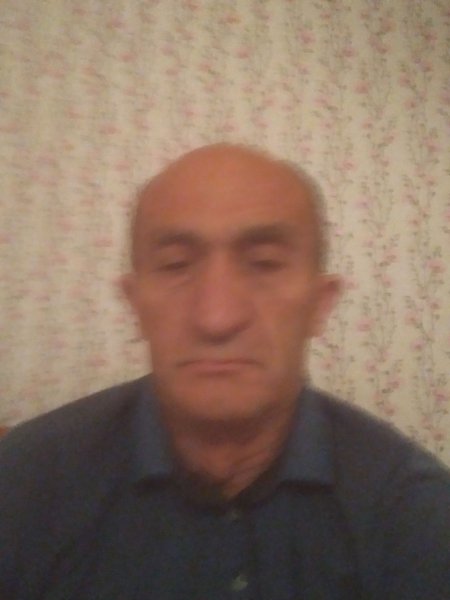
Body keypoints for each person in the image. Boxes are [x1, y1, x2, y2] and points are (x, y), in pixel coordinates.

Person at [0, 143, 449, 599]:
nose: (217, 317)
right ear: (135, 305)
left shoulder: (414, 510)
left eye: (264, 264)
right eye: (176, 265)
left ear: (319, 304)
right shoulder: (23, 483)